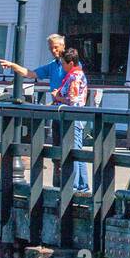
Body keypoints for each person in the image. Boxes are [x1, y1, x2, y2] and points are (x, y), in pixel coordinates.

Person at [51, 48, 90, 195]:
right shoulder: (78, 74)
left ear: (71, 63)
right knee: (77, 150)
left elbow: (72, 100)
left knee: (74, 150)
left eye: (63, 63)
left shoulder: (74, 77)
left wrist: (57, 97)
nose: (62, 66)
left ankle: (75, 185)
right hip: (77, 117)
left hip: (72, 117)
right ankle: (82, 184)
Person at [0, 33, 67, 99]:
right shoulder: (52, 65)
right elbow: (30, 74)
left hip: (69, 106)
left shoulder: (71, 63)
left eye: (56, 47)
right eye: (50, 48)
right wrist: (12, 65)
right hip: (57, 105)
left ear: (63, 46)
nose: (53, 50)